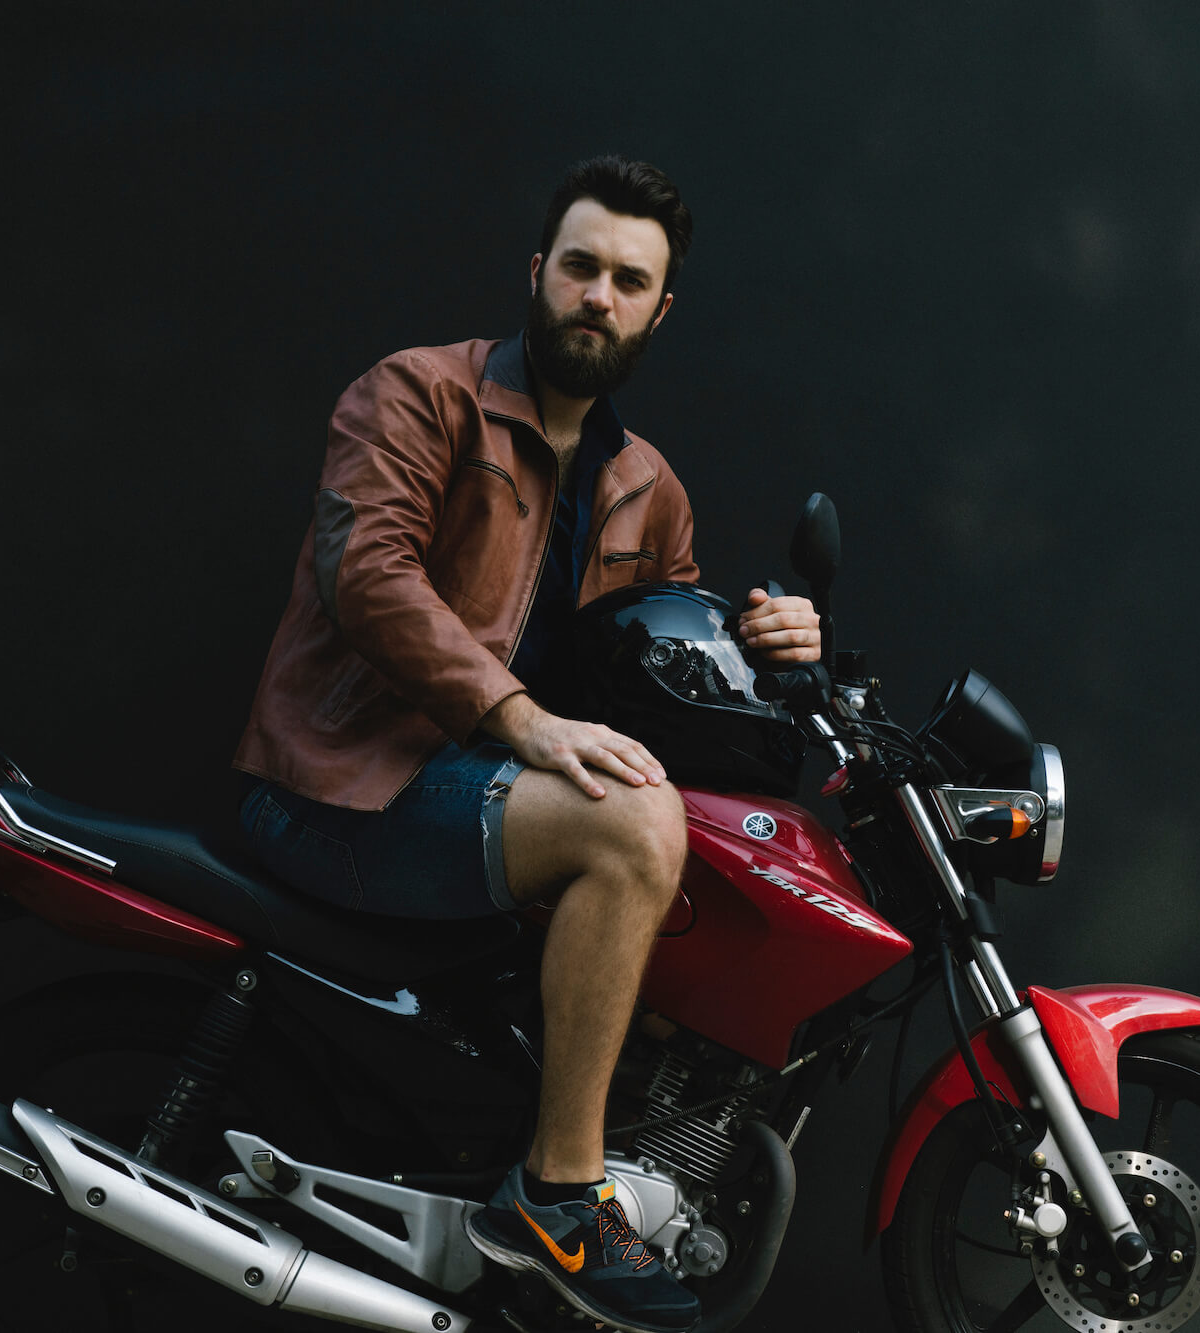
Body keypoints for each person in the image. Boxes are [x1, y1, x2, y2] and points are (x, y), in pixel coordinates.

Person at [231, 156, 819, 1333]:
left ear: (660, 311)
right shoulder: (413, 396)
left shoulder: (648, 489)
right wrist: (523, 722)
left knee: (702, 844)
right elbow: (371, 580)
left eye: (628, 281)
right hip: (347, 785)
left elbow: (670, 671)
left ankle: (601, 1141)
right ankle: (557, 1193)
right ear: (537, 273)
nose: (599, 295)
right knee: (631, 826)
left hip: (487, 801)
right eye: (582, 267)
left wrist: (776, 646)